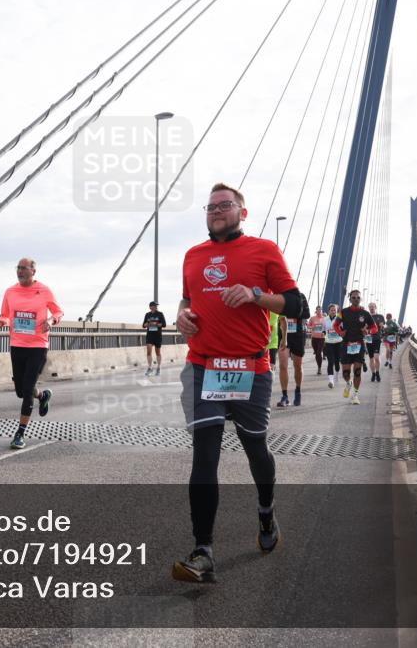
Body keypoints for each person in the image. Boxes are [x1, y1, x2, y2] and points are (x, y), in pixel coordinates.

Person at [172, 182, 305, 584]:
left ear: (242, 213)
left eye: (225, 205)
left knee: (255, 450)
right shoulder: (193, 256)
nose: (216, 211)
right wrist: (182, 317)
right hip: (204, 367)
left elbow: (298, 305)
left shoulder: (264, 250)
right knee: (204, 458)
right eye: (210, 206)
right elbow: (186, 300)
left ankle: (266, 511)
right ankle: (203, 551)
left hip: (250, 369)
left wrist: (255, 295)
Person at [0, 258, 64, 449]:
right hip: (17, 345)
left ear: (33, 271)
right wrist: (0, 322)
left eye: (23, 268)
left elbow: (58, 312)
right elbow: (5, 315)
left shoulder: (44, 290)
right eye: (18, 268)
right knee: (21, 391)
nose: (20, 271)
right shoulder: (10, 291)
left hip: (38, 346)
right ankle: (42, 396)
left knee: (27, 389)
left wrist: (51, 321)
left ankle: (19, 434)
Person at [333, 290, 378, 405]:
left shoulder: (365, 313)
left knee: (357, 372)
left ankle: (355, 395)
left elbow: (375, 328)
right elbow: (335, 325)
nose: (356, 299)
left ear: (361, 299)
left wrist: (367, 331)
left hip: (359, 344)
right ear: (350, 299)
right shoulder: (343, 312)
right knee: (346, 373)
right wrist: (340, 332)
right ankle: (349, 384)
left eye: (358, 297)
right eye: (353, 297)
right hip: (346, 344)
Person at [276, 294, 309, 407]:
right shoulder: (279, 296)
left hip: (297, 334)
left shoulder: (300, 296)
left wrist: (291, 310)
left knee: (298, 366)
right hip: (283, 335)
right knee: (283, 365)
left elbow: (307, 314)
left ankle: (298, 390)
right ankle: (284, 396)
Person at [143, 301, 167, 376]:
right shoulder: (147, 315)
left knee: (157, 352)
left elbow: (164, 324)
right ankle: (150, 367)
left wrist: (155, 324)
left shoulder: (160, 314)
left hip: (157, 335)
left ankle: (158, 367)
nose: (156, 307)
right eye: (154, 305)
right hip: (150, 335)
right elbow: (143, 325)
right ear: (150, 307)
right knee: (149, 351)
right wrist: (148, 324)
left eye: (156, 306)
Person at [323, 303, 342, 388]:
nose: (333, 311)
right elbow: (323, 330)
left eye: (335, 310)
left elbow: (344, 329)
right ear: (329, 311)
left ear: (336, 311)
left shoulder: (340, 319)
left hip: (338, 342)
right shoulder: (325, 319)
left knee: (337, 362)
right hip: (329, 342)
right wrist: (323, 334)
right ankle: (331, 381)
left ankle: (337, 375)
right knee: (330, 361)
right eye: (332, 310)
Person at [367, 302, 384, 382]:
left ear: (375, 307)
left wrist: (382, 326)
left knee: (376, 357)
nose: (371, 308)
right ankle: (373, 373)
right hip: (369, 339)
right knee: (371, 358)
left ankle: (377, 372)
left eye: (373, 306)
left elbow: (383, 326)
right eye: (370, 307)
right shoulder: (366, 316)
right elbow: (363, 328)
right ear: (368, 308)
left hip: (377, 338)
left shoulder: (380, 316)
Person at [307, 305, 326, 375]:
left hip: (322, 338)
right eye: (318, 310)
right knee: (316, 353)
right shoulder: (312, 318)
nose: (319, 311)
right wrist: (312, 326)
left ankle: (319, 368)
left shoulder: (324, 318)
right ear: (316, 311)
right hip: (314, 338)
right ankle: (319, 365)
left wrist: (324, 333)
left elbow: (326, 327)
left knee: (318, 353)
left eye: (320, 310)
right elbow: (308, 326)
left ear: (321, 311)